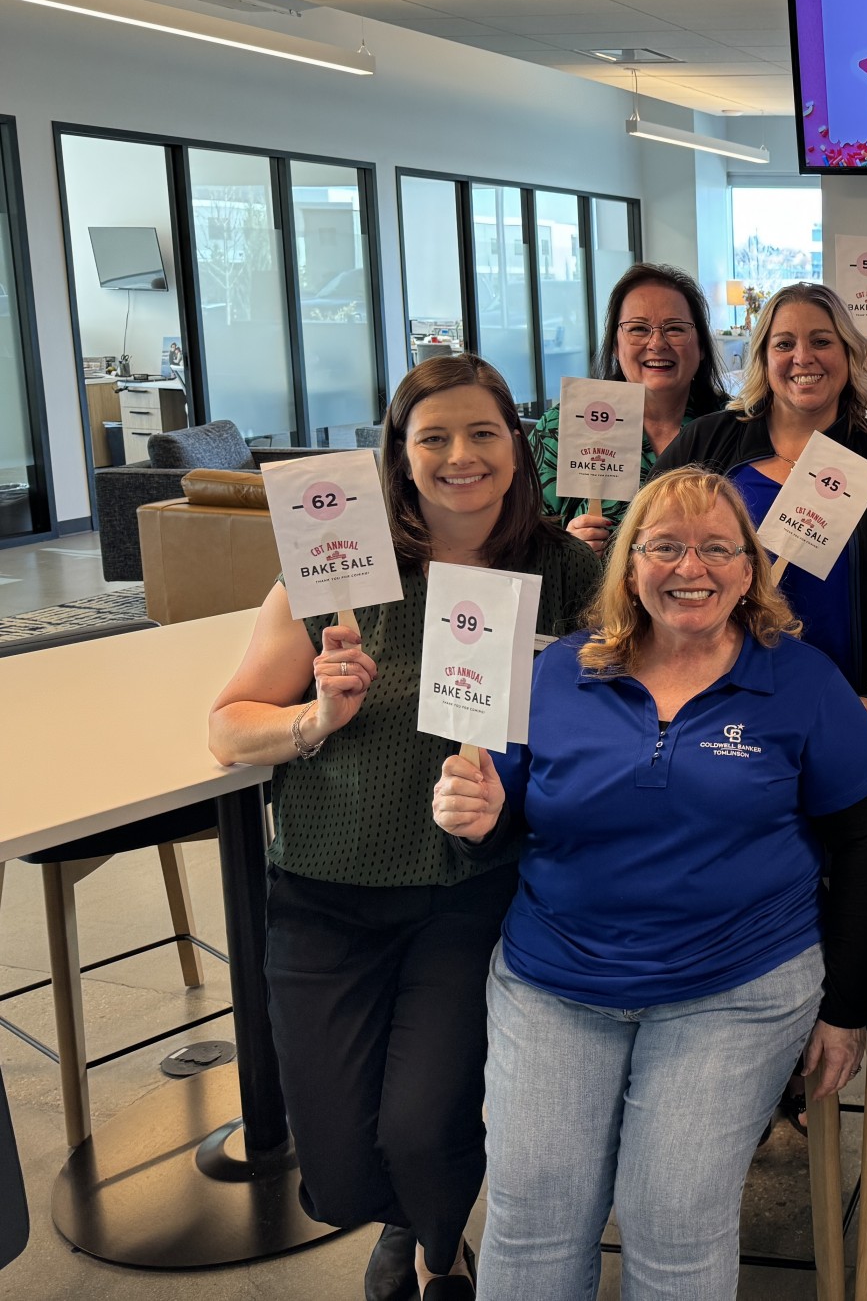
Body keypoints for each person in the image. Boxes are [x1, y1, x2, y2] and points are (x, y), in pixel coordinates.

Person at [431, 467, 867, 1301]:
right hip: (554, 980)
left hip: (736, 985)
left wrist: (845, 1009)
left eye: (717, 548)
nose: (692, 568)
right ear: (630, 564)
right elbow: (501, 816)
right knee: (531, 1211)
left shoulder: (802, 681)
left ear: (749, 569)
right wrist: (478, 817)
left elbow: (863, 846)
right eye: (666, 546)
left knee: (671, 1215)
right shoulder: (559, 670)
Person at [208, 354, 604, 1301]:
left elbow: (614, 716)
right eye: (434, 437)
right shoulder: (338, 568)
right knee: (339, 1171)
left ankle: (437, 1247)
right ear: (399, 453)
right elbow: (228, 726)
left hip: (472, 894)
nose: (460, 455)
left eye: (483, 432)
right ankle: (405, 1213)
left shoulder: (564, 570)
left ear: (518, 446)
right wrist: (315, 718)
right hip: (324, 891)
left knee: (424, 1127)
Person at [658, 280, 867, 704]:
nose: (803, 357)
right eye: (784, 344)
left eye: (822, 341)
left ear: (849, 353)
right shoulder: (707, 442)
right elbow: (645, 551)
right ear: (763, 357)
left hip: (851, 704)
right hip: (719, 701)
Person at [528, 261, 728, 553]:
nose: (657, 343)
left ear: (701, 347)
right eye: (638, 329)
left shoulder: (734, 427)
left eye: (675, 329)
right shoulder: (563, 426)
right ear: (615, 346)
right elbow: (518, 541)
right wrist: (565, 550)